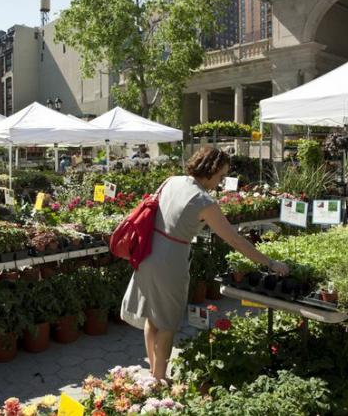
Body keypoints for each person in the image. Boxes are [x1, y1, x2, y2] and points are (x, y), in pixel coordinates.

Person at [120, 147, 289, 381]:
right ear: (210, 170)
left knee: (153, 315)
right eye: (221, 176)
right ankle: (159, 379)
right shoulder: (203, 201)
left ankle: (153, 371)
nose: (220, 182)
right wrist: (269, 262)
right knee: (168, 322)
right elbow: (234, 239)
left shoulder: (172, 181)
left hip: (146, 251)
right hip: (170, 260)